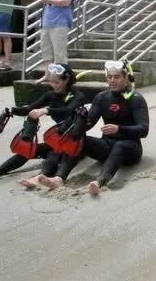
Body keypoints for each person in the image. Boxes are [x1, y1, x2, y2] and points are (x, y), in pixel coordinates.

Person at [39, 59, 149, 194]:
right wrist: (81, 118)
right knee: (80, 139)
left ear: (126, 78)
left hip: (131, 149)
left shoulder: (136, 98)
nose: (112, 80)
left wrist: (119, 129)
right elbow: (88, 125)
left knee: (120, 146)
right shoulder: (102, 97)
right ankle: (59, 178)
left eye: (117, 77)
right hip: (107, 146)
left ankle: (99, 181)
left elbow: (144, 130)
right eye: (109, 77)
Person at [0, 64, 84, 185]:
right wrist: (12, 110)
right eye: (51, 82)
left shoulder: (78, 95)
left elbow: (68, 110)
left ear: (67, 80)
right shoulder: (50, 95)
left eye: (57, 82)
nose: (53, 85)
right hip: (56, 138)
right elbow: (29, 108)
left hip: (74, 142)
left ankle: (40, 177)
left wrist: (46, 110)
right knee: (28, 150)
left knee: (53, 152)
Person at [29, 0, 78, 76]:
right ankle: (49, 74)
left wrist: (50, 1)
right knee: (46, 50)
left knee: (59, 52)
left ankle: (62, 76)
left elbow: (66, 2)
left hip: (60, 24)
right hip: (46, 23)